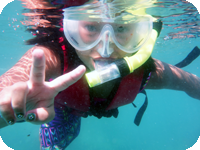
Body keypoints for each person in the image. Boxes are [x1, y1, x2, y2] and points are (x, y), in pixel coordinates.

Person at [0, 0, 200, 149]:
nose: (106, 49)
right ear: (69, 28)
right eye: (91, 27)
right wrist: (4, 109)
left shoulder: (150, 72)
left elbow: (192, 84)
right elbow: (10, 83)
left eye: (121, 28)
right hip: (59, 109)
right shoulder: (50, 58)